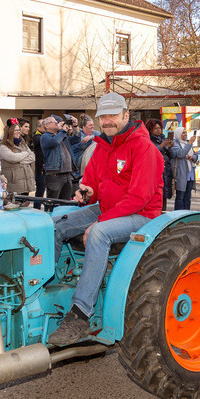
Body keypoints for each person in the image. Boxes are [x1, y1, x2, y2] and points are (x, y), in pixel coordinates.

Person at [49, 92, 163, 346]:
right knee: (56, 224)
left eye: (113, 115)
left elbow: (139, 197)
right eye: (103, 116)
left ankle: (81, 314)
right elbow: (92, 181)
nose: (107, 121)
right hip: (108, 209)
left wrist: (101, 222)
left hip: (141, 215)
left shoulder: (144, 148)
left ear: (126, 115)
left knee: (99, 234)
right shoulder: (103, 146)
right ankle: (46, 287)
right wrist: (85, 190)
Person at [38, 114, 81, 200]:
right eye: (53, 122)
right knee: (53, 201)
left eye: (56, 122)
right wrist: (63, 130)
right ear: (46, 126)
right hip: (55, 175)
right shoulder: (45, 137)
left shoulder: (62, 136)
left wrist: (75, 126)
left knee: (65, 201)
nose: (56, 123)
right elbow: (55, 141)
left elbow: (76, 139)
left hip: (67, 174)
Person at [0, 118, 35, 197]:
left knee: (25, 201)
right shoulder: (4, 145)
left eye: (19, 130)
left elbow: (32, 157)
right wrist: (25, 154)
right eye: (16, 130)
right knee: (14, 202)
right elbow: (13, 158)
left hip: (25, 182)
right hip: (13, 183)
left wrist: (19, 160)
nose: (18, 132)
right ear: (10, 131)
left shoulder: (22, 142)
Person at [145, 119, 174, 210]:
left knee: (164, 197)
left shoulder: (163, 139)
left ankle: (163, 215)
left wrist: (170, 147)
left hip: (166, 172)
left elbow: (172, 156)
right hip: (155, 173)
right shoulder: (148, 140)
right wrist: (161, 146)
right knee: (155, 198)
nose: (159, 130)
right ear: (150, 129)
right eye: (156, 128)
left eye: (160, 128)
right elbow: (150, 153)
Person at [170, 126, 200, 210]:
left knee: (188, 197)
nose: (185, 134)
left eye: (186, 132)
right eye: (183, 133)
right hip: (181, 173)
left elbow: (195, 155)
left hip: (190, 173)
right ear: (178, 134)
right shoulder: (175, 144)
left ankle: (187, 214)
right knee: (180, 197)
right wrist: (190, 143)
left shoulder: (187, 143)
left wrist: (192, 158)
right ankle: (178, 215)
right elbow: (181, 154)